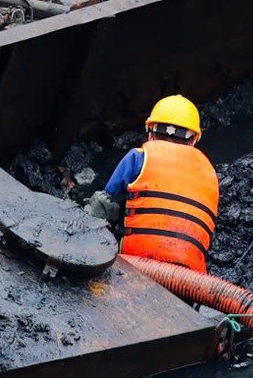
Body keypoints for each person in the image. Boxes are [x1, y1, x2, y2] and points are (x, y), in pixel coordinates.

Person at [87, 95, 220, 273]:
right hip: (191, 279)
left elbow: (104, 205)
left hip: (134, 265)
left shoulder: (138, 157)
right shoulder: (211, 175)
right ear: (195, 139)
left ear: (150, 133)